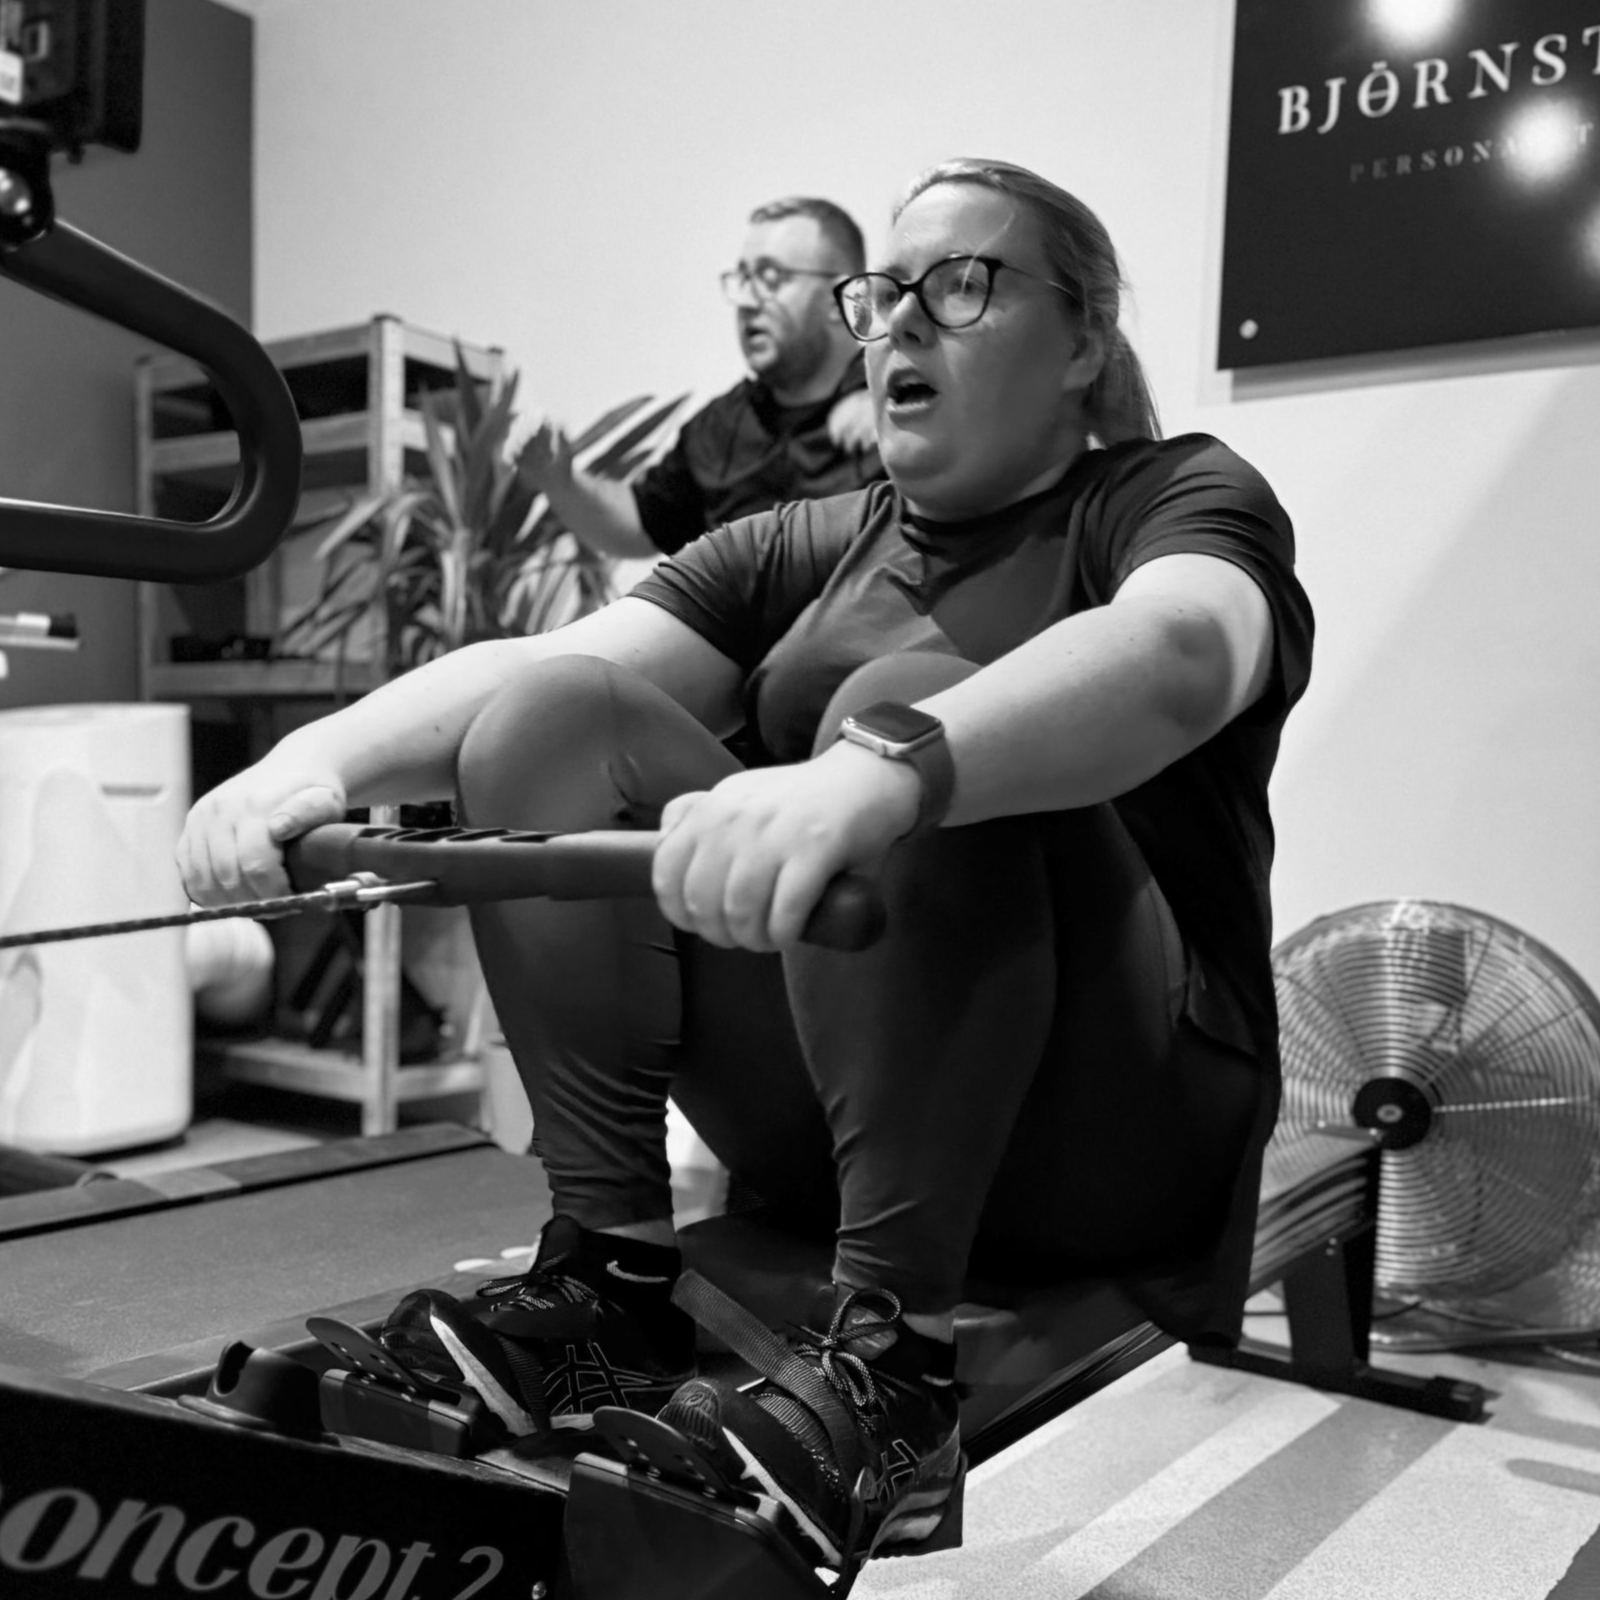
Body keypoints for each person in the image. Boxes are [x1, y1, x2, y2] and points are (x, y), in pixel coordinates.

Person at [179, 157, 1312, 1569]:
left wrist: (880, 771)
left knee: (890, 718)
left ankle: (891, 1385)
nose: (901, 322)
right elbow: (541, 666)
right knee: (553, 720)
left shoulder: (1173, 496)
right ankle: (607, 1288)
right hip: (839, 1119)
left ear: (1085, 339)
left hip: (1120, 1127)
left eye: (960, 285)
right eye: (885, 290)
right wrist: (310, 768)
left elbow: (1184, 651)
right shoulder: (812, 544)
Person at [520, 195, 884, 560]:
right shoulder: (719, 428)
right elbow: (643, 525)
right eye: (743, 278)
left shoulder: (903, 397)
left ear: (846, 298)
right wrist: (561, 481)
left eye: (771, 278)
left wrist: (892, 412)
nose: (747, 300)